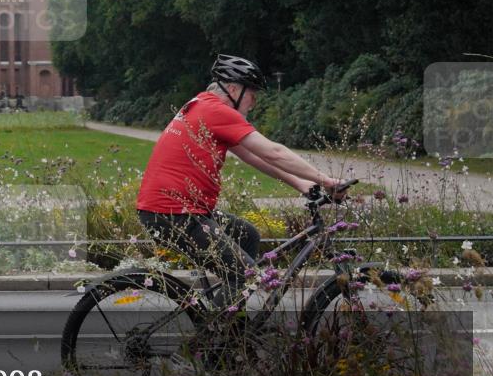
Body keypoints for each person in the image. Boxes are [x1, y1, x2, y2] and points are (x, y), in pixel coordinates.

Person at [136, 54, 347, 309]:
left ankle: (231, 321)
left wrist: (303, 185)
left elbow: (256, 157)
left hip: (174, 211)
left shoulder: (202, 105)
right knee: (244, 275)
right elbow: (274, 152)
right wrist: (325, 180)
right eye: (252, 94)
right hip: (176, 215)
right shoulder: (216, 111)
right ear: (233, 88)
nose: (254, 102)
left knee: (247, 235)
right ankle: (213, 337)